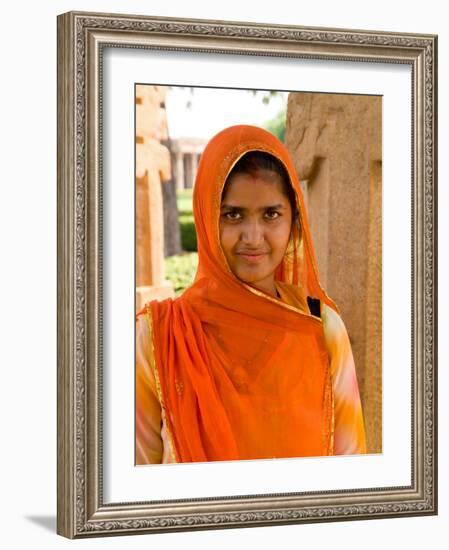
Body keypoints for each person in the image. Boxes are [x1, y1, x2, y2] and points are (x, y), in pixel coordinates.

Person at [135, 124, 366, 465]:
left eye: (271, 214)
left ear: (294, 221)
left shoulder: (322, 328)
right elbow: (135, 476)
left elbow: (351, 468)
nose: (253, 237)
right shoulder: (159, 336)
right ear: (205, 216)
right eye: (233, 215)